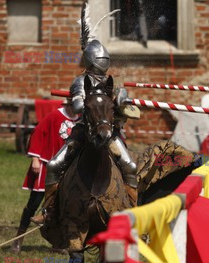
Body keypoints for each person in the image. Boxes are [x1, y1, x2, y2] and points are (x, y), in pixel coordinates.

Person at [31, 1, 140, 226]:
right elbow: (79, 107)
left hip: (111, 133)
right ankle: (50, 210)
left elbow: (124, 108)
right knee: (54, 164)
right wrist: (92, 101)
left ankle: (134, 211)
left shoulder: (115, 84)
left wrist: (121, 102)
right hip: (84, 132)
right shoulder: (80, 81)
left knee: (130, 165)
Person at [11, 102, 79, 253]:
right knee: (34, 203)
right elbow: (37, 133)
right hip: (47, 165)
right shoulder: (55, 116)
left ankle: (58, 243)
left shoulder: (80, 119)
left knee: (61, 208)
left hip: (66, 169)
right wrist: (35, 159)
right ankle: (18, 239)